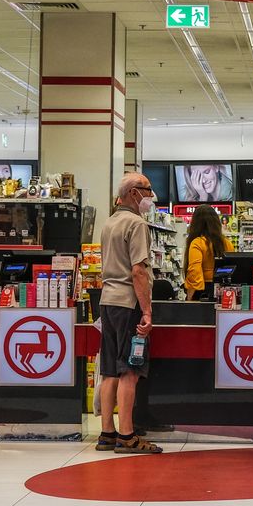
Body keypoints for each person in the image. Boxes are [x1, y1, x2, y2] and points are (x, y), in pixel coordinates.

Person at [95, 173, 162, 454]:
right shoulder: (136, 224)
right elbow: (138, 271)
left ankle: (107, 433)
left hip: (107, 301)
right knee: (129, 371)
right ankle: (127, 436)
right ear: (134, 193)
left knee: (110, 370)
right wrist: (146, 311)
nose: (151, 196)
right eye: (147, 190)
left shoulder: (109, 222)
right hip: (127, 304)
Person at [184, 205, 233, 300]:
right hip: (224, 290)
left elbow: (194, 271)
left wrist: (190, 297)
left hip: (202, 291)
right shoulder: (227, 243)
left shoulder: (197, 243)